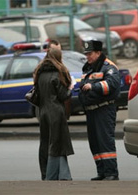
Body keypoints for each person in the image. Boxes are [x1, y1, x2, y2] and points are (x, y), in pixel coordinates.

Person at [78, 40, 120, 181]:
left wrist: (93, 88)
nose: (87, 57)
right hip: (91, 111)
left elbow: (112, 85)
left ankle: (111, 173)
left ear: (98, 53)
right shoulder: (88, 68)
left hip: (104, 109)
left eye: (90, 54)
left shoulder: (108, 67)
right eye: (86, 54)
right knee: (94, 143)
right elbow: (83, 87)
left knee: (105, 141)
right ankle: (101, 171)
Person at [33, 48, 74, 180]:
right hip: (56, 112)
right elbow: (63, 96)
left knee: (45, 143)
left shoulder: (39, 73)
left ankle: (48, 174)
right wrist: (70, 88)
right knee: (57, 144)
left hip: (43, 112)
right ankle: (55, 175)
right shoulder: (58, 74)